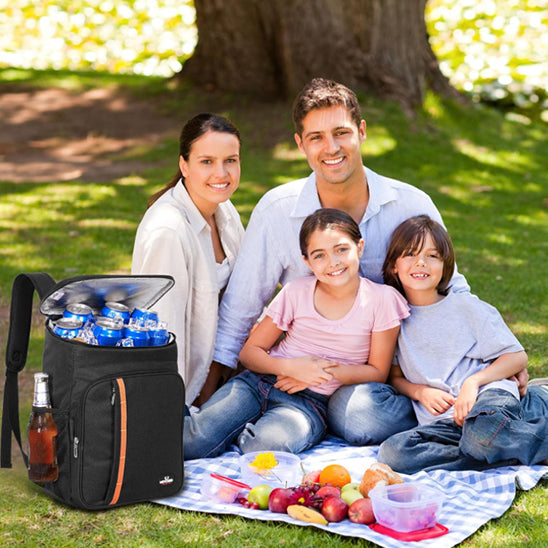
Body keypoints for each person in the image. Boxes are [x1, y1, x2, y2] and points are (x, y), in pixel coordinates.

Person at [211, 77, 471, 445]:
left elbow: (453, 289)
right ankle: (299, 417)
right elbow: (241, 307)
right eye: (316, 137)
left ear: (361, 132)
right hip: (299, 372)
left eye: (341, 133)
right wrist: (208, 391)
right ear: (300, 144)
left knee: (362, 416)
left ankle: (329, 418)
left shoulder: (411, 204)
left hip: (387, 376)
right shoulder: (277, 210)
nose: (330, 148)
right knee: (346, 415)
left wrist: (488, 368)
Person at [183, 209, 410, 459]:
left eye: (341, 249)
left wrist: (317, 374)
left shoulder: (381, 300)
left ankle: (239, 430)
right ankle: (182, 423)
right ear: (307, 262)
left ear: (360, 247)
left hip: (308, 405)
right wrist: (291, 368)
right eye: (319, 255)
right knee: (195, 442)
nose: (333, 262)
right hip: (258, 383)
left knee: (263, 449)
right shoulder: (296, 291)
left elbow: (378, 372)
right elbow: (250, 354)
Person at [376, 215, 548, 473]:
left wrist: (473, 383)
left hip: (488, 400)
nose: (421, 262)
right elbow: (395, 376)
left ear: (445, 266)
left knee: (483, 433)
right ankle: (505, 444)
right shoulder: (392, 319)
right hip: (447, 422)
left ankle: (501, 435)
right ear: (393, 267)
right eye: (410, 254)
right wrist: (420, 392)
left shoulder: (466, 307)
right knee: (394, 453)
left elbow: (516, 357)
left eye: (432, 255)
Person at [132, 113, 244, 406]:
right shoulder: (168, 232)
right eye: (207, 161)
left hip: (224, 367)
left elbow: (246, 293)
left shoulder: (225, 210)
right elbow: (163, 334)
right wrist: (172, 415)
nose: (222, 173)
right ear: (184, 165)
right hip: (186, 390)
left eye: (230, 160)